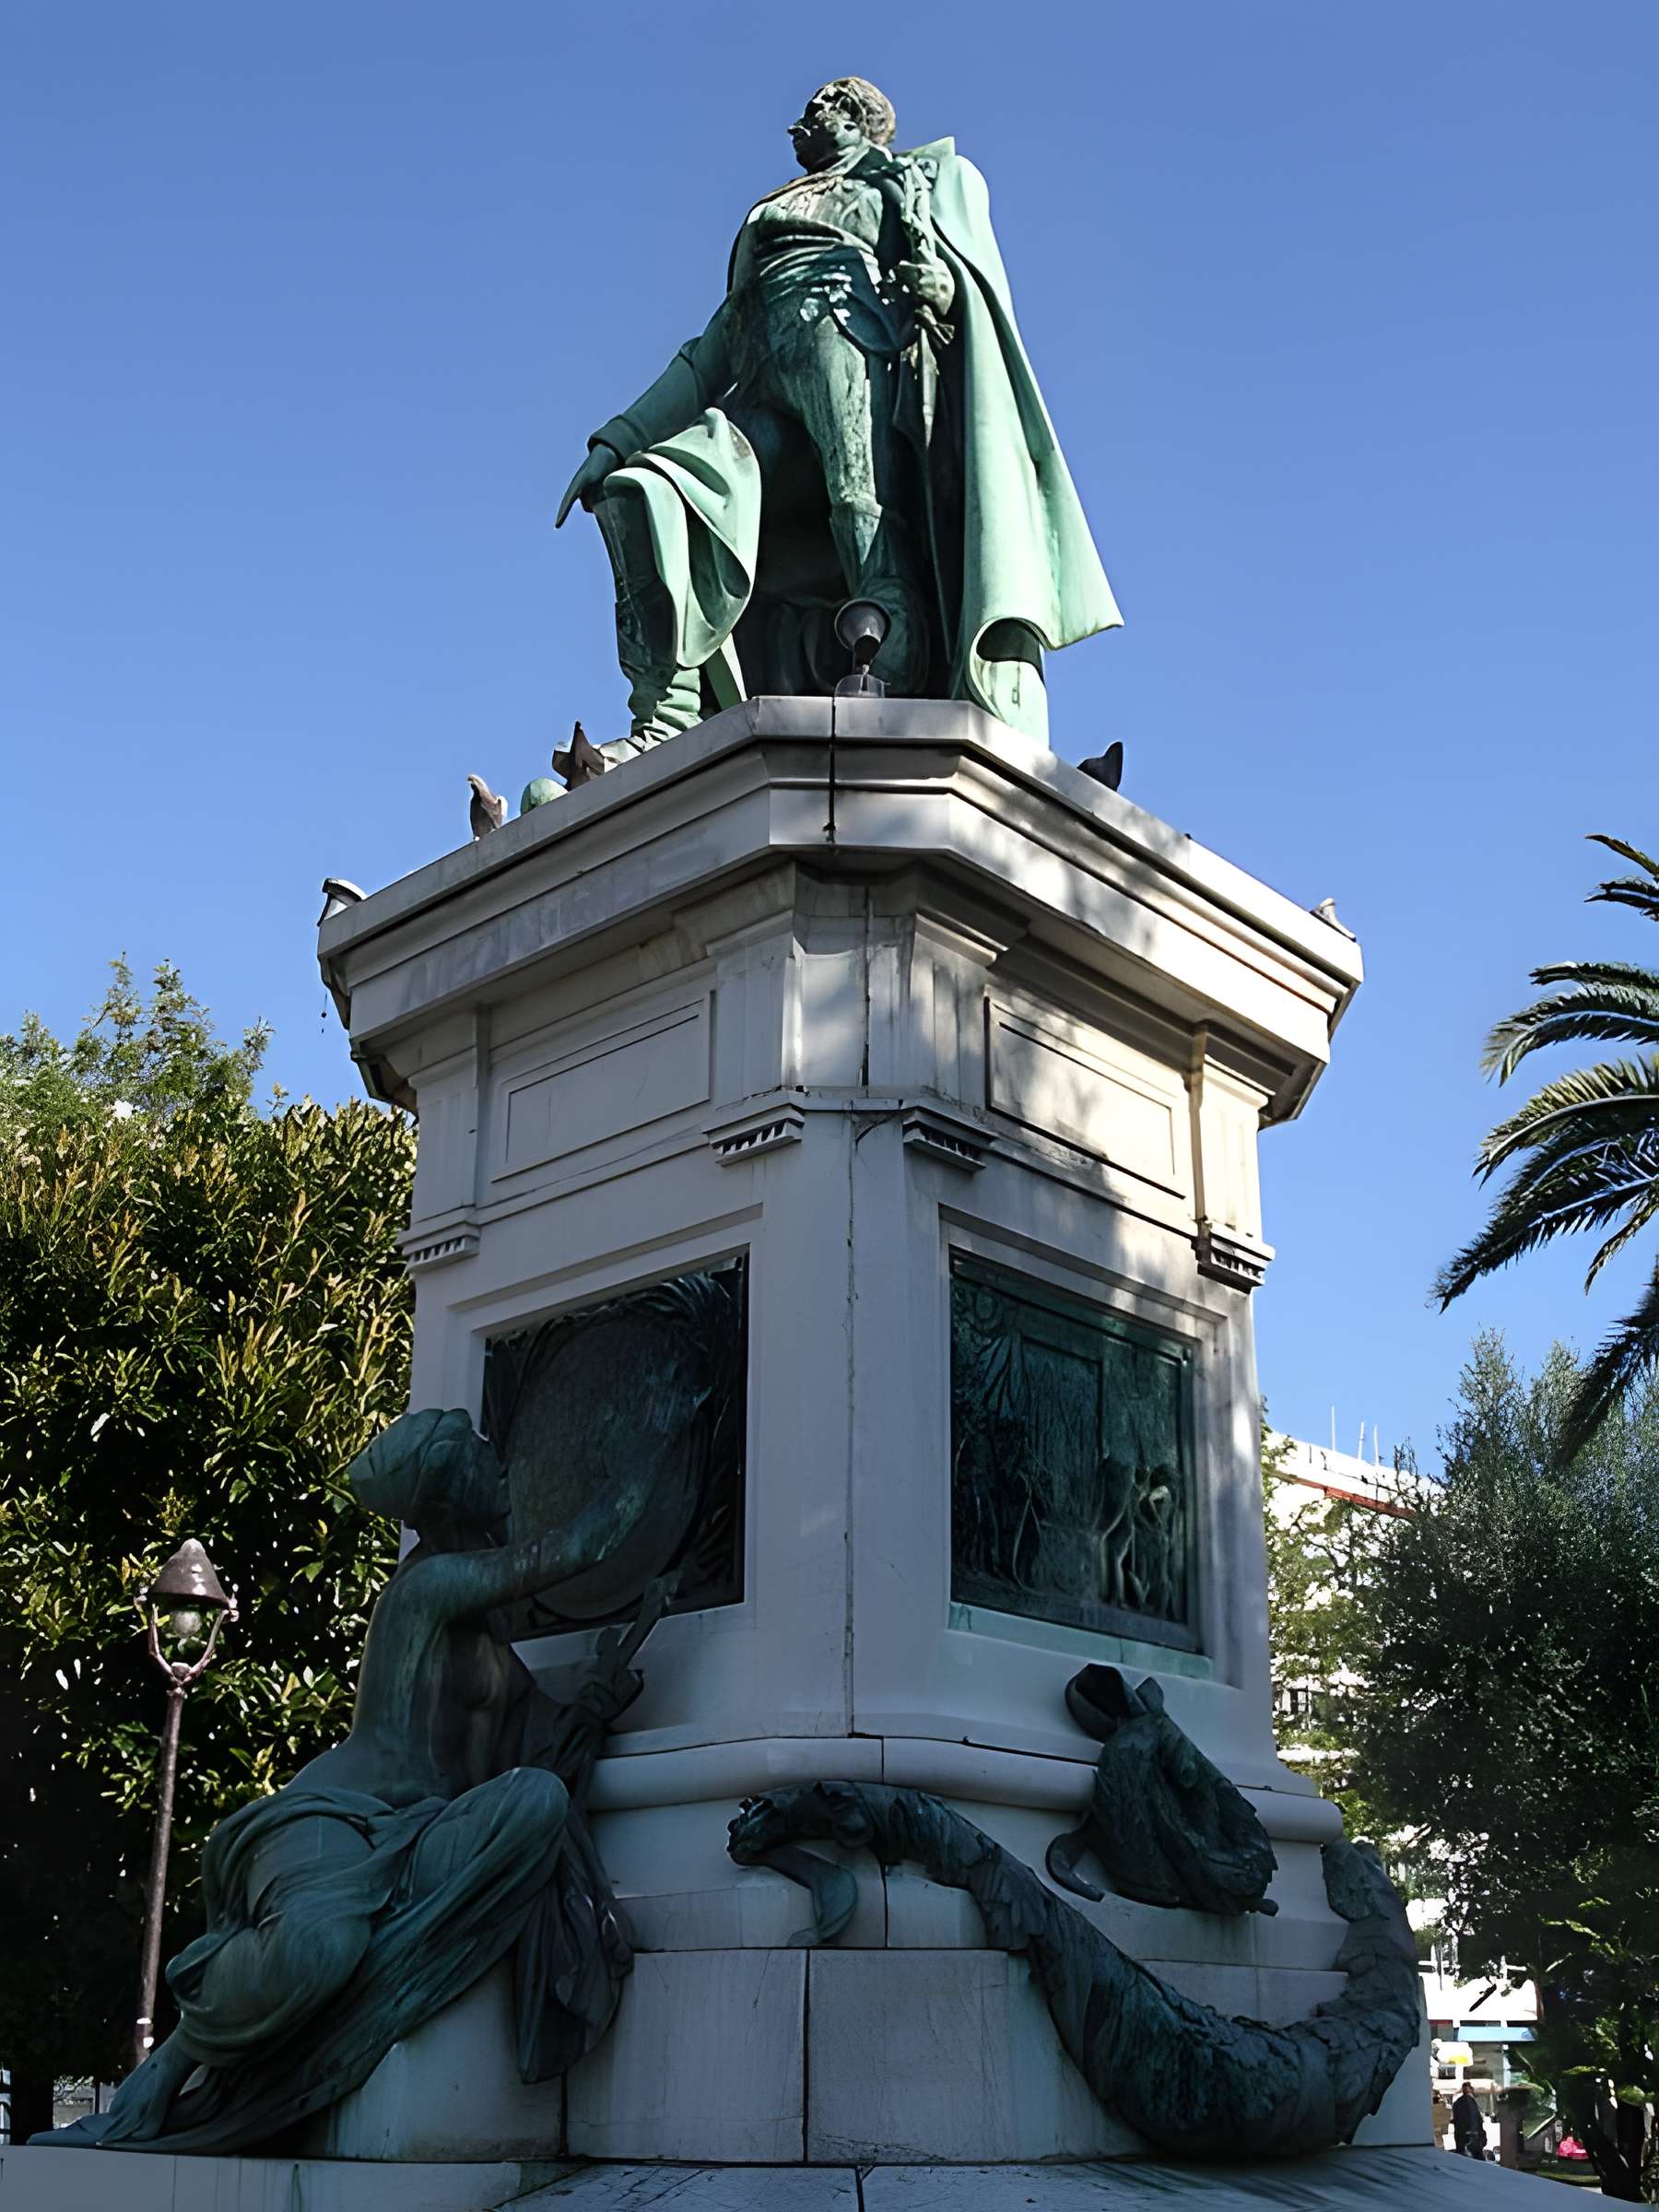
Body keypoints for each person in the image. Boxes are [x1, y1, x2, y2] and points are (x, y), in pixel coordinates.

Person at [35, 1408, 653, 2154]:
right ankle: (162, 2079)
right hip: (338, 1819)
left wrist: (595, 1702)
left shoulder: (489, 1633)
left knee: (537, 1799)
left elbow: (534, 1737)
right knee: (317, 1949)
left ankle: (364, 2004)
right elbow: (585, 1545)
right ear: (454, 1486)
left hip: (420, 1830)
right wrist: (660, 1434)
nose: (501, 1464)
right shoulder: (426, 1589)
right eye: (481, 1454)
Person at [557, 76, 1120, 753]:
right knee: (648, 492)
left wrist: (942, 294)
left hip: (848, 335)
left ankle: (892, 666)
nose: (807, 117)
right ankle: (668, 716)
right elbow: (712, 349)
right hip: (760, 372)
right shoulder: (770, 211)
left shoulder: (900, 182)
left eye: (824, 106)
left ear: (858, 119)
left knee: (862, 507)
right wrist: (620, 441)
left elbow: (957, 288)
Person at [1453, 2080, 1488, 2159]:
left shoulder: (1457, 2103)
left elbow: (1456, 2121)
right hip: (1472, 2136)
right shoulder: (1470, 2101)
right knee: (1477, 2159)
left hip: (1462, 2137)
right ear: (1471, 2090)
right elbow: (1475, 2120)